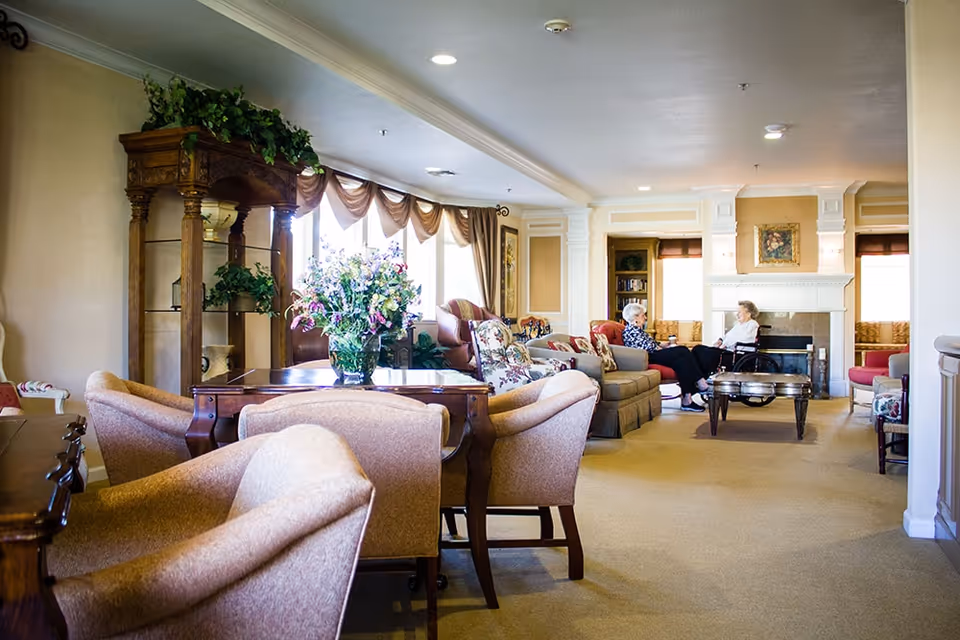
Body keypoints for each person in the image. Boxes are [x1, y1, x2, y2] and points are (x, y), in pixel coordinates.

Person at [621, 303, 709, 412]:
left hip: (653, 353)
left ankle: (687, 399)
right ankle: (701, 382)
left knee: (681, 361)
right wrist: (661, 348)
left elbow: (650, 343)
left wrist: (663, 345)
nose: (646, 317)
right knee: (682, 350)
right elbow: (646, 348)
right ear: (635, 317)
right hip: (647, 357)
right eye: (643, 315)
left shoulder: (637, 330)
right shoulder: (631, 330)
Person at [692, 300, 760, 375]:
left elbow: (745, 339)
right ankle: (696, 375)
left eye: (740, 312)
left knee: (705, 353)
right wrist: (720, 340)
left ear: (748, 314)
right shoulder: (739, 325)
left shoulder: (752, 324)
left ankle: (701, 376)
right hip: (726, 349)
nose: (737, 314)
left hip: (736, 352)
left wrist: (726, 345)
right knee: (697, 348)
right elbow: (727, 336)